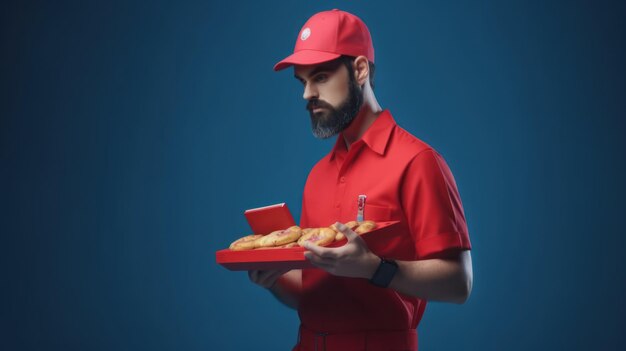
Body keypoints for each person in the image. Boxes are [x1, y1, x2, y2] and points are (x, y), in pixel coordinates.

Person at [248, 9, 473, 351]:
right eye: (303, 82)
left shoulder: (418, 161)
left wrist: (375, 268)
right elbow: (313, 298)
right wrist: (273, 278)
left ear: (360, 69)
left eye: (320, 77)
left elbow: (459, 284)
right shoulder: (317, 176)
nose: (307, 94)